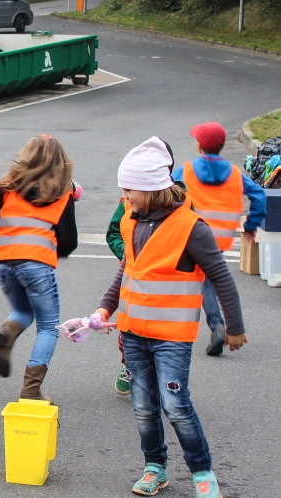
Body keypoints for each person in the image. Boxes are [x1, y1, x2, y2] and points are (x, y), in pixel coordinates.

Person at [93, 136, 246, 498]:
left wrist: (235, 327)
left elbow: (221, 277)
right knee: (144, 406)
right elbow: (128, 269)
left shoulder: (192, 227)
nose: (125, 196)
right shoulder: (132, 220)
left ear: (150, 188)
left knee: (176, 406)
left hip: (171, 337)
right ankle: (155, 467)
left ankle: (203, 474)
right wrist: (104, 307)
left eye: (129, 189)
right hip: (132, 332)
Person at [0, 134, 77, 403]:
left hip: (3, 262)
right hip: (36, 263)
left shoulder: (9, 184)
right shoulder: (61, 192)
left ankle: (8, 332)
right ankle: (31, 389)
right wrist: (55, 250)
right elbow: (69, 240)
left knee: (22, 310)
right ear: (61, 162)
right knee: (48, 326)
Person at [174, 122, 265, 357]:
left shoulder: (186, 170)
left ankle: (216, 326)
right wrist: (251, 225)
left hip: (193, 233)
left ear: (198, 146)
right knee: (209, 280)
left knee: (203, 281)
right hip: (221, 238)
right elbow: (260, 195)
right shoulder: (235, 173)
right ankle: (215, 325)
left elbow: (165, 191)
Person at [104, 140, 181, 396]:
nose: (127, 193)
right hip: (132, 276)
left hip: (166, 282)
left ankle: (162, 374)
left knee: (162, 334)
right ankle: (129, 365)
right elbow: (114, 232)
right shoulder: (128, 198)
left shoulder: (181, 202)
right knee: (128, 328)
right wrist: (127, 254)